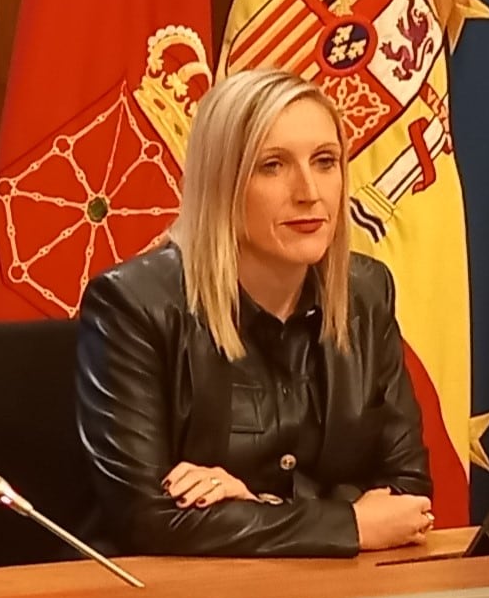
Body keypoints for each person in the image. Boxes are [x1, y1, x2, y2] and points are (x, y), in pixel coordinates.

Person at [73, 66, 436, 557]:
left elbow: (407, 493)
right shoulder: (134, 304)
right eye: (273, 165)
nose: (309, 191)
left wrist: (254, 506)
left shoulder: (365, 293)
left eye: (326, 161)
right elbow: (145, 517)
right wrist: (349, 524)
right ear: (223, 182)